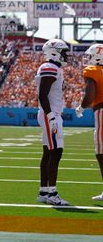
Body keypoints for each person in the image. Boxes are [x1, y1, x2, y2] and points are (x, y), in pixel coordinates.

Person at [35, 39, 71, 206]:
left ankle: (44, 191)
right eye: (63, 51)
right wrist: (50, 116)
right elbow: (42, 95)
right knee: (56, 152)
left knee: (48, 153)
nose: (66, 55)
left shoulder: (53, 68)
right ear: (54, 52)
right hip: (51, 114)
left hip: (51, 113)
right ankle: (52, 193)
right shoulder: (49, 67)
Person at [78, 43, 103, 201]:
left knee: (101, 151)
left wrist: (81, 106)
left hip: (102, 111)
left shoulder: (92, 71)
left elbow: (89, 94)